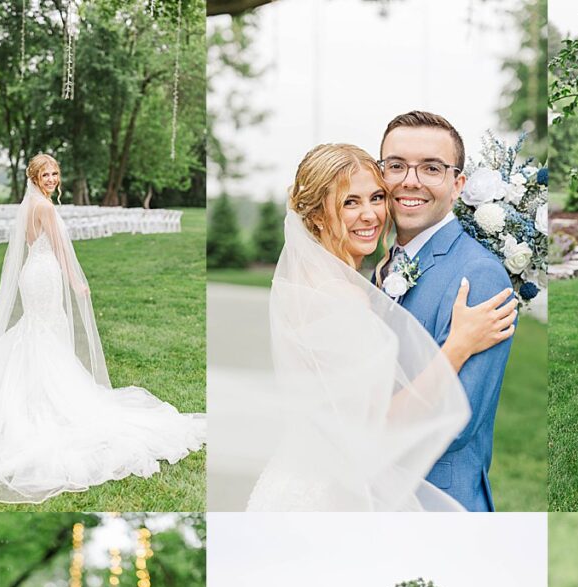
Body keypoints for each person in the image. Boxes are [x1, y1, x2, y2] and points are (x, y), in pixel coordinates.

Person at [0, 154, 206, 503]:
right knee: (46, 334)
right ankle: (46, 401)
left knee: (37, 334)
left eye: (56, 173)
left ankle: (36, 394)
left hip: (34, 273)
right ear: (35, 177)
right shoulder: (44, 208)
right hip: (45, 276)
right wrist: (77, 282)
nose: (53, 178)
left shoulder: (29, 206)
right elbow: (59, 250)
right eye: (46, 174)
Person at [211, 142, 516, 512]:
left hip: (299, 474)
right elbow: (380, 426)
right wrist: (458, 346)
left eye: (376, 197)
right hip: (329, 494)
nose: (370, 214)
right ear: (318, 215)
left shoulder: (313, 280)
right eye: (349, 203)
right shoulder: (340, 296)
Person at [379, 111, 517, 511]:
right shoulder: (382, 265)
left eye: (431, 168)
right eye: (397, 166)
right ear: (380, 173)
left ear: (457, 184)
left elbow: (455, 423)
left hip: (437, 503)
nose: (410, 180)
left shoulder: (479, 275)